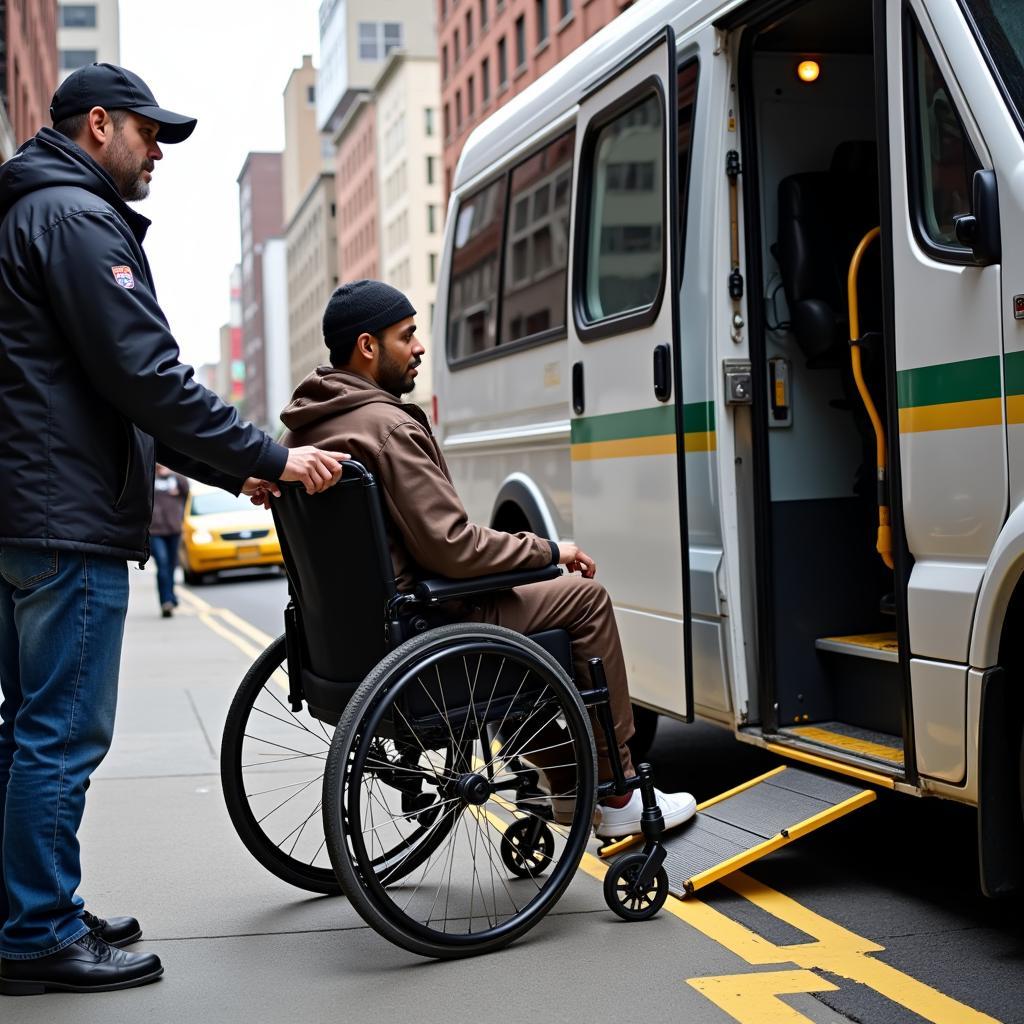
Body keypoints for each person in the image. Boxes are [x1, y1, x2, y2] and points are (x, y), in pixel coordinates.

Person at [0, 64, 347, 996]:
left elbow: (112, 394)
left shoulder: (29, 209)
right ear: (99, 124)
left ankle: (31, 908)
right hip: (61, 519)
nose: (158, 152)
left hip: (28, 513)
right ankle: (34, 933)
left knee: (25, 731)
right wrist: (272, 458)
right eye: (150, 134)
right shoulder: (74, 220)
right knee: (60, 735)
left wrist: (228, 465)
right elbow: (147, 378)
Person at [278, 280, 696, 840]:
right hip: (425, 626)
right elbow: (453, 547)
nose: (420, 347)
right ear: (367, 347)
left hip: (351, 646)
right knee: (584, 600)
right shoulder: (388, 428)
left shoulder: (303, 433)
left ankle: (570, 787)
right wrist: (551, 550)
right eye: (407, 336)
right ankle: (616, 791)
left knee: (524, 636)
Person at [151, 465, 189, 617]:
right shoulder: (149, 475)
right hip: (155, 531)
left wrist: (173, 472)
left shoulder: (176, 478)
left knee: (172, 566)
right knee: (162, 563)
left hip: (174, 529)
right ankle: (165, 601)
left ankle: (171, 596)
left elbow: (186, 490)